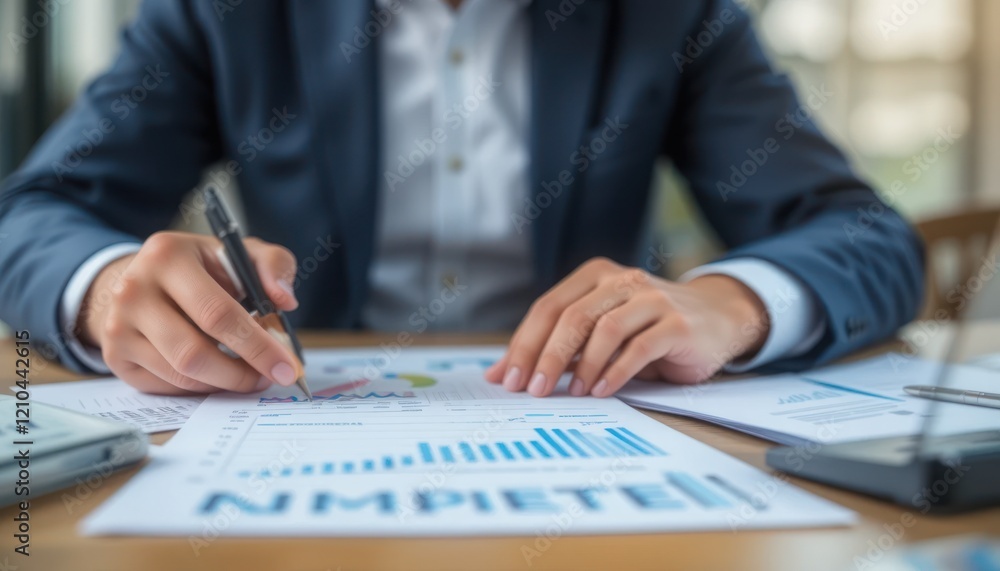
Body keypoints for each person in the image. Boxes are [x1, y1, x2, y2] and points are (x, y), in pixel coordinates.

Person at [0, 0, 923, 399]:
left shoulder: (669, 13)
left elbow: (869, 239)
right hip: (300, 431)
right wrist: (109, 285)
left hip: (589, 452)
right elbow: (34, 219)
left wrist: (731, 305)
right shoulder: (220, 11)